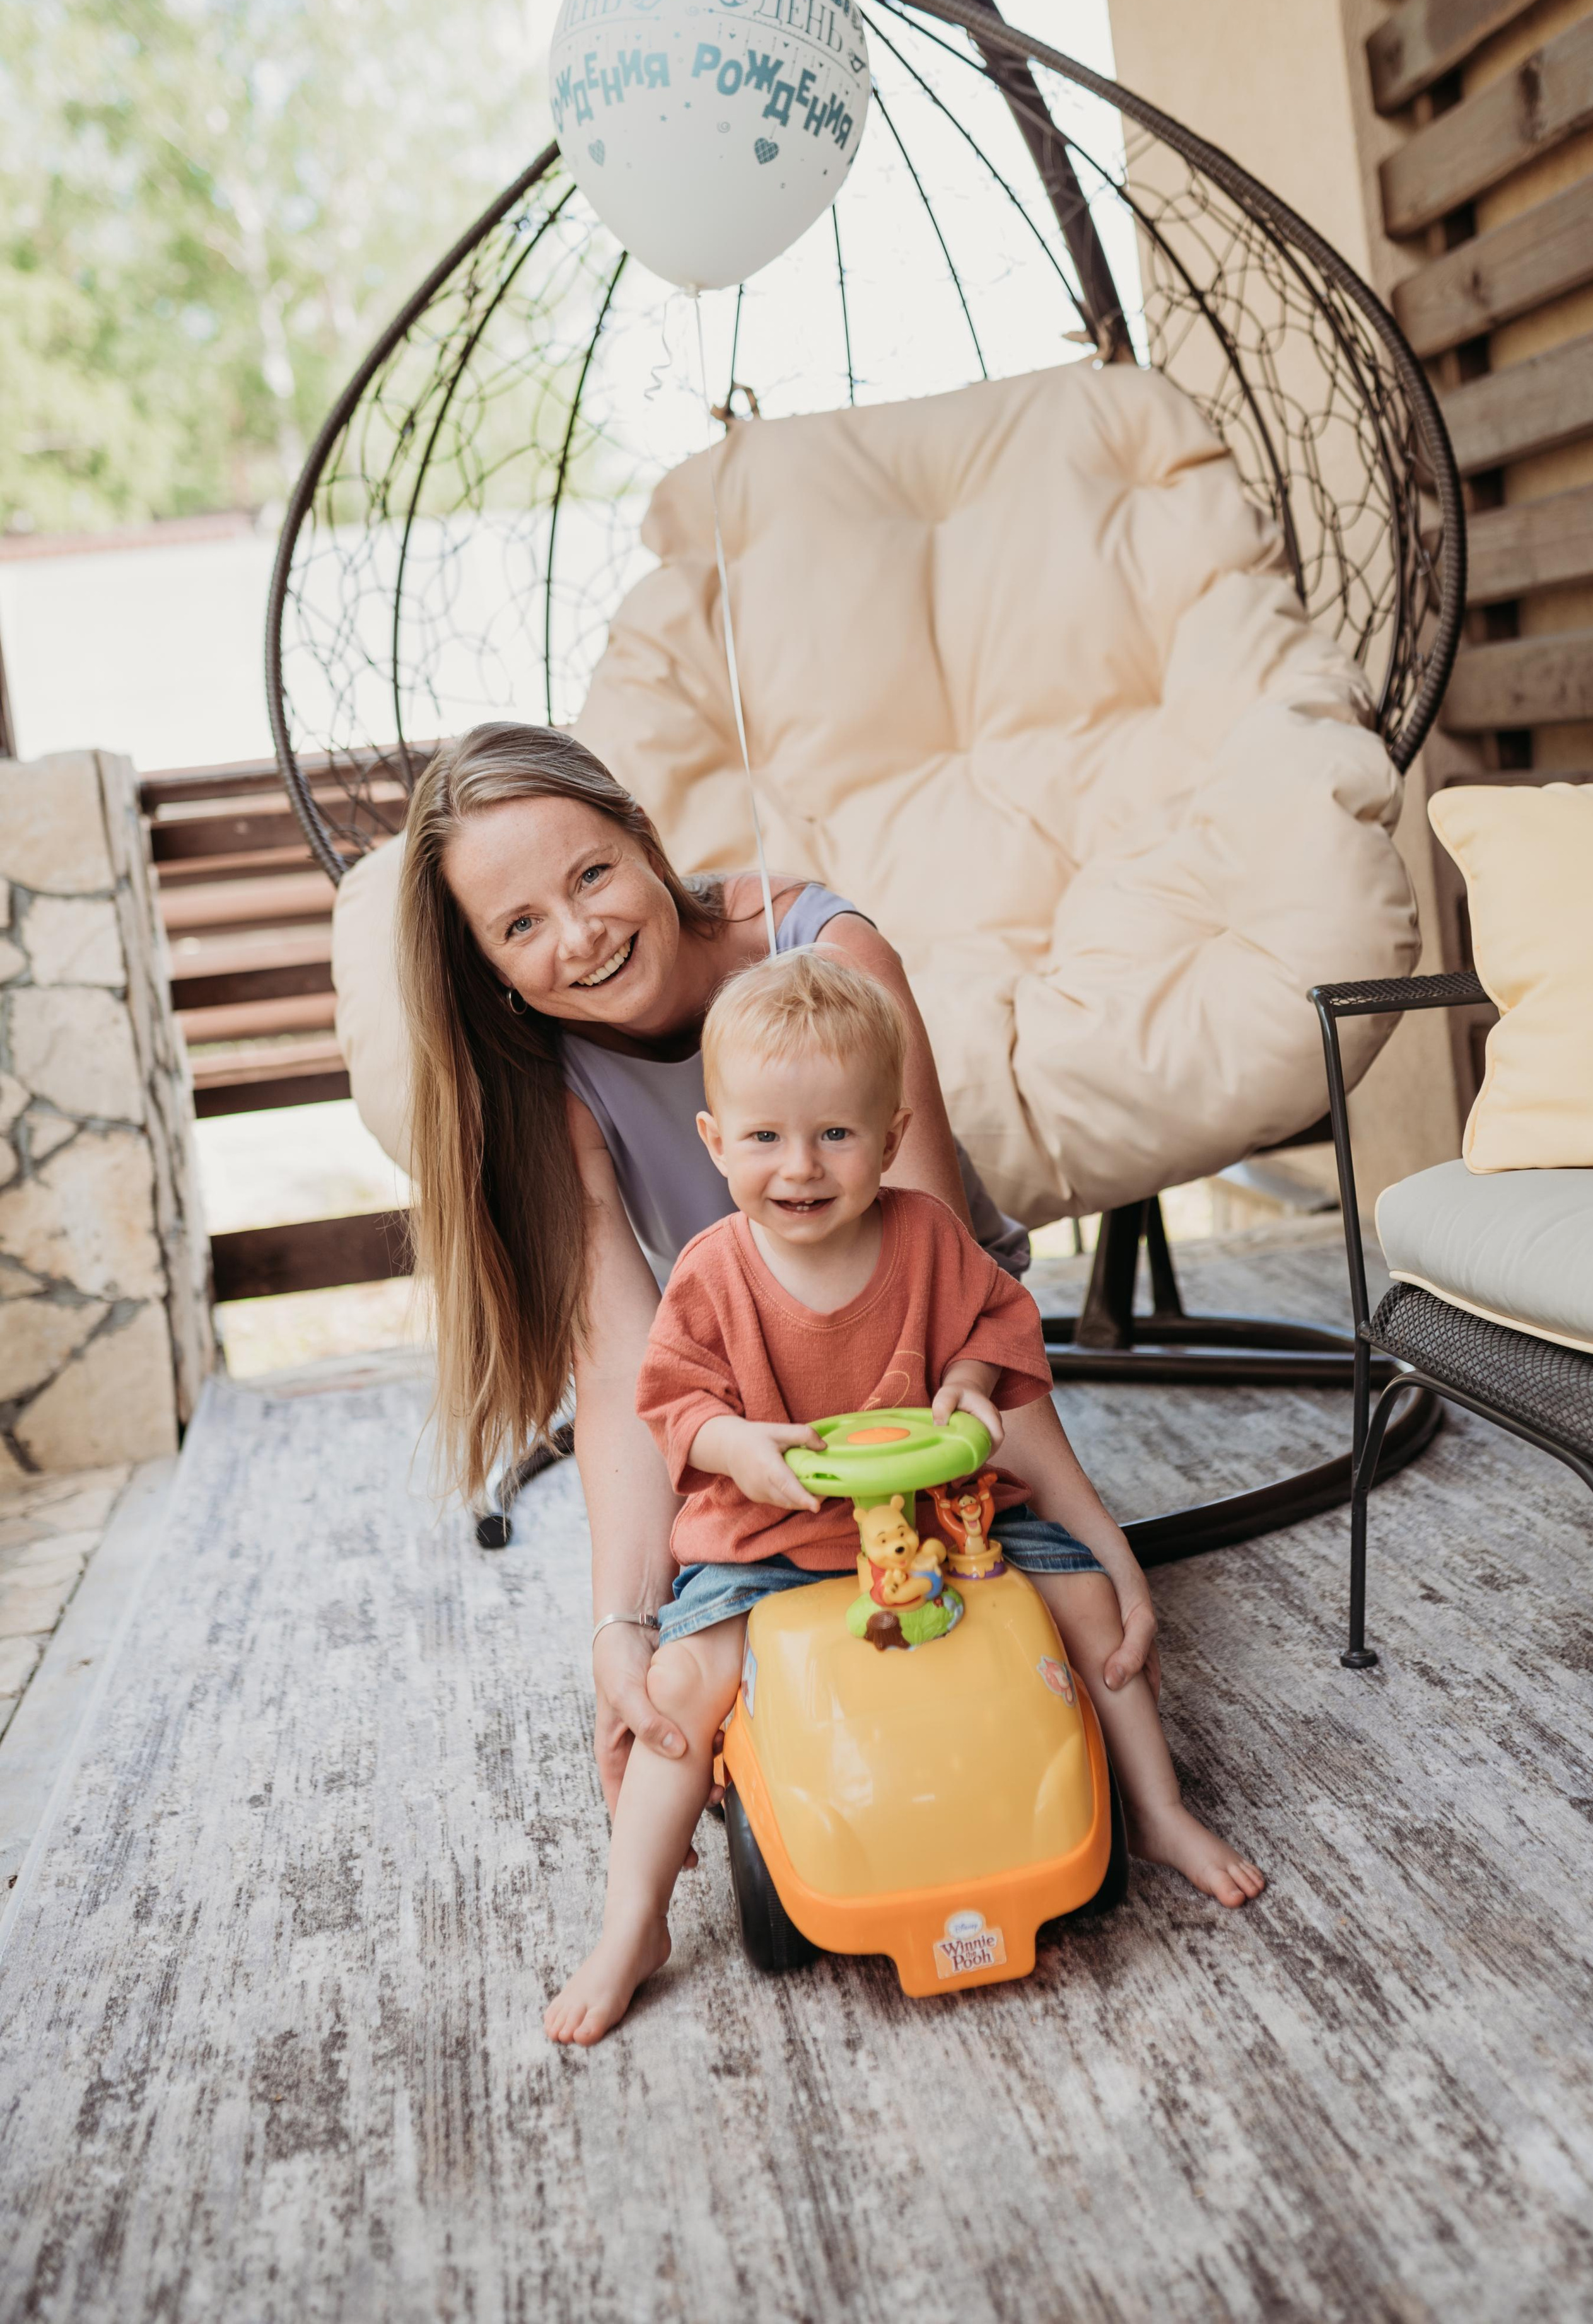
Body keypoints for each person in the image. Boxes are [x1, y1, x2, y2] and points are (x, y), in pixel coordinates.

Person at [543, 951, 1264, 2045]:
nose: (801, 1166)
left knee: (1092, 1614)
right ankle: (632, 1919)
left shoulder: (929, 1234)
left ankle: (1158, 1810)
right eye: (765, 1137)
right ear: (713, 1141)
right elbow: (672, 1403)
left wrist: (971, 1389)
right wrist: (737, 1446)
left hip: (943, 1518)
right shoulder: (710, 1271)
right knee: (681, 1690)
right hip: (770, 1536)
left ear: (890, 1135)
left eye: (836, 1133)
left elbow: (994, 1330)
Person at [398, 720, 1051, 1816]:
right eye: (521, 924)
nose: (582, 933)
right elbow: (619, 1377)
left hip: (939, 1373)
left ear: (646, 839)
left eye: (593, 872)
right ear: (490, 969)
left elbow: (949, 1292)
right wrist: (626, 1628)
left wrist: (1068, 1532)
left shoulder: (829, 950)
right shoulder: (551, 1084)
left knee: (1005, 1664)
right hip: (759, 1407)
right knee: (710, 1697)